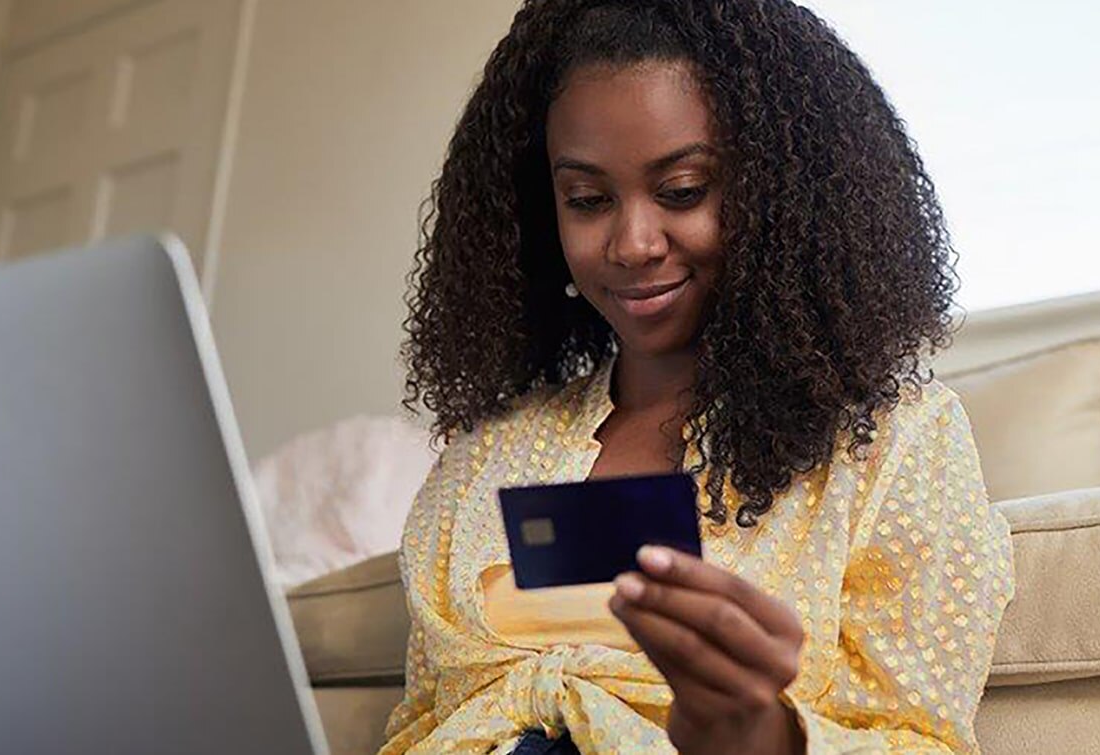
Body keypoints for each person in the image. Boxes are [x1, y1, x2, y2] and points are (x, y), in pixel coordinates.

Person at [383, 1, 1014, 753]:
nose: (633, 242)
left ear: (783, 192)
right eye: (587, 200)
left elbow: (922, 738)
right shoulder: (482, 458)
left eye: (682, 190)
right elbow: (421, 723)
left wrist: (764, 735)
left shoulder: (893, 441)